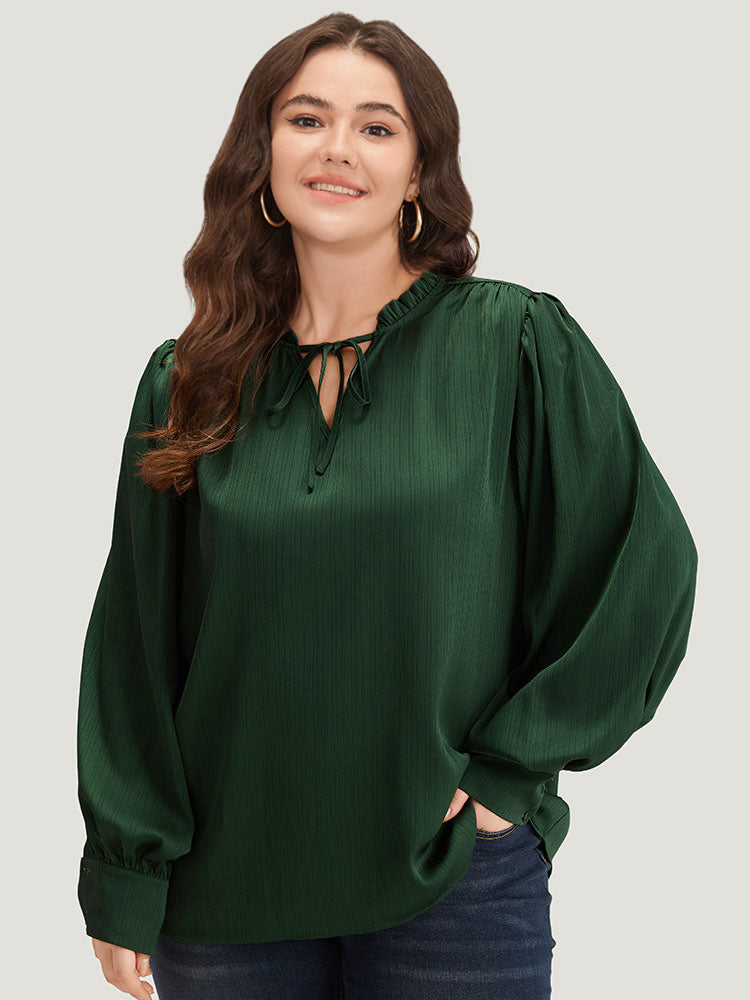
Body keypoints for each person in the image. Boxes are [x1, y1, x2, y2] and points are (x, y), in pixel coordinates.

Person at [75, 12, 699, 1000]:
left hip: (452, 878)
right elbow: (135, 646)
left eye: (377, 126)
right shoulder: (186, 381)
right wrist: (126, 866)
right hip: (224, 891)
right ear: (262, 153)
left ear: (419, 173)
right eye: (306, 119)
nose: (337, 148)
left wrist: (510, 774)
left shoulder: (513, 345)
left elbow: (642, 567)